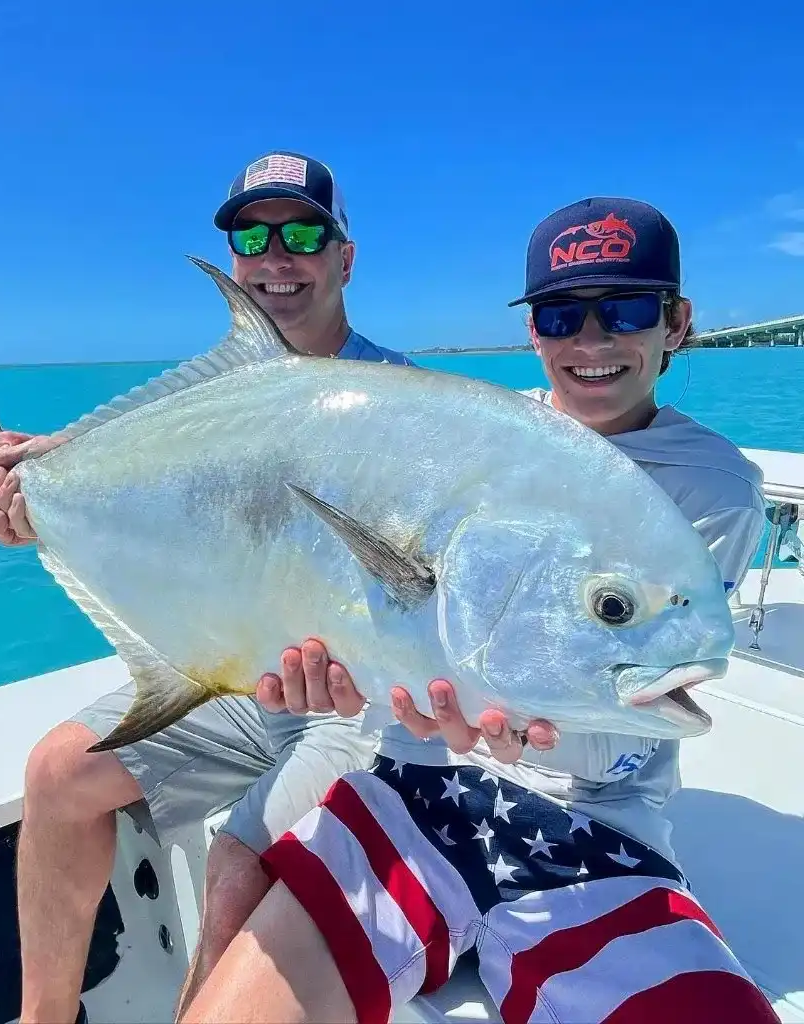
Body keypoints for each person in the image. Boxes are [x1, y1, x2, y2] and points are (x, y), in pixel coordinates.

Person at [181, 197, 779, 1024]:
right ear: (533, 331)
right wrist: (334, 665)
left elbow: (622, 715)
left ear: (676, 323)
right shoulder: (474, 443)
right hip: (416, 786)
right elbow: (363, 599)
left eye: (629, 310)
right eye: (561, 314)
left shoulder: (710, 488)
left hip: (592, 832)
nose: (592, 340)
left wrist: (497, 708)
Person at [0, 150, 461, 1024]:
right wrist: (31, 497)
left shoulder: (404, 402)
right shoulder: (205, 401)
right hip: (244, 680)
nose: (275, 257)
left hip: (354, 701)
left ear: (345, 256)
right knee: (59, 771)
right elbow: (123, 480)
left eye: (302, 233)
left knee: (235, 876)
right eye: (251, 237)